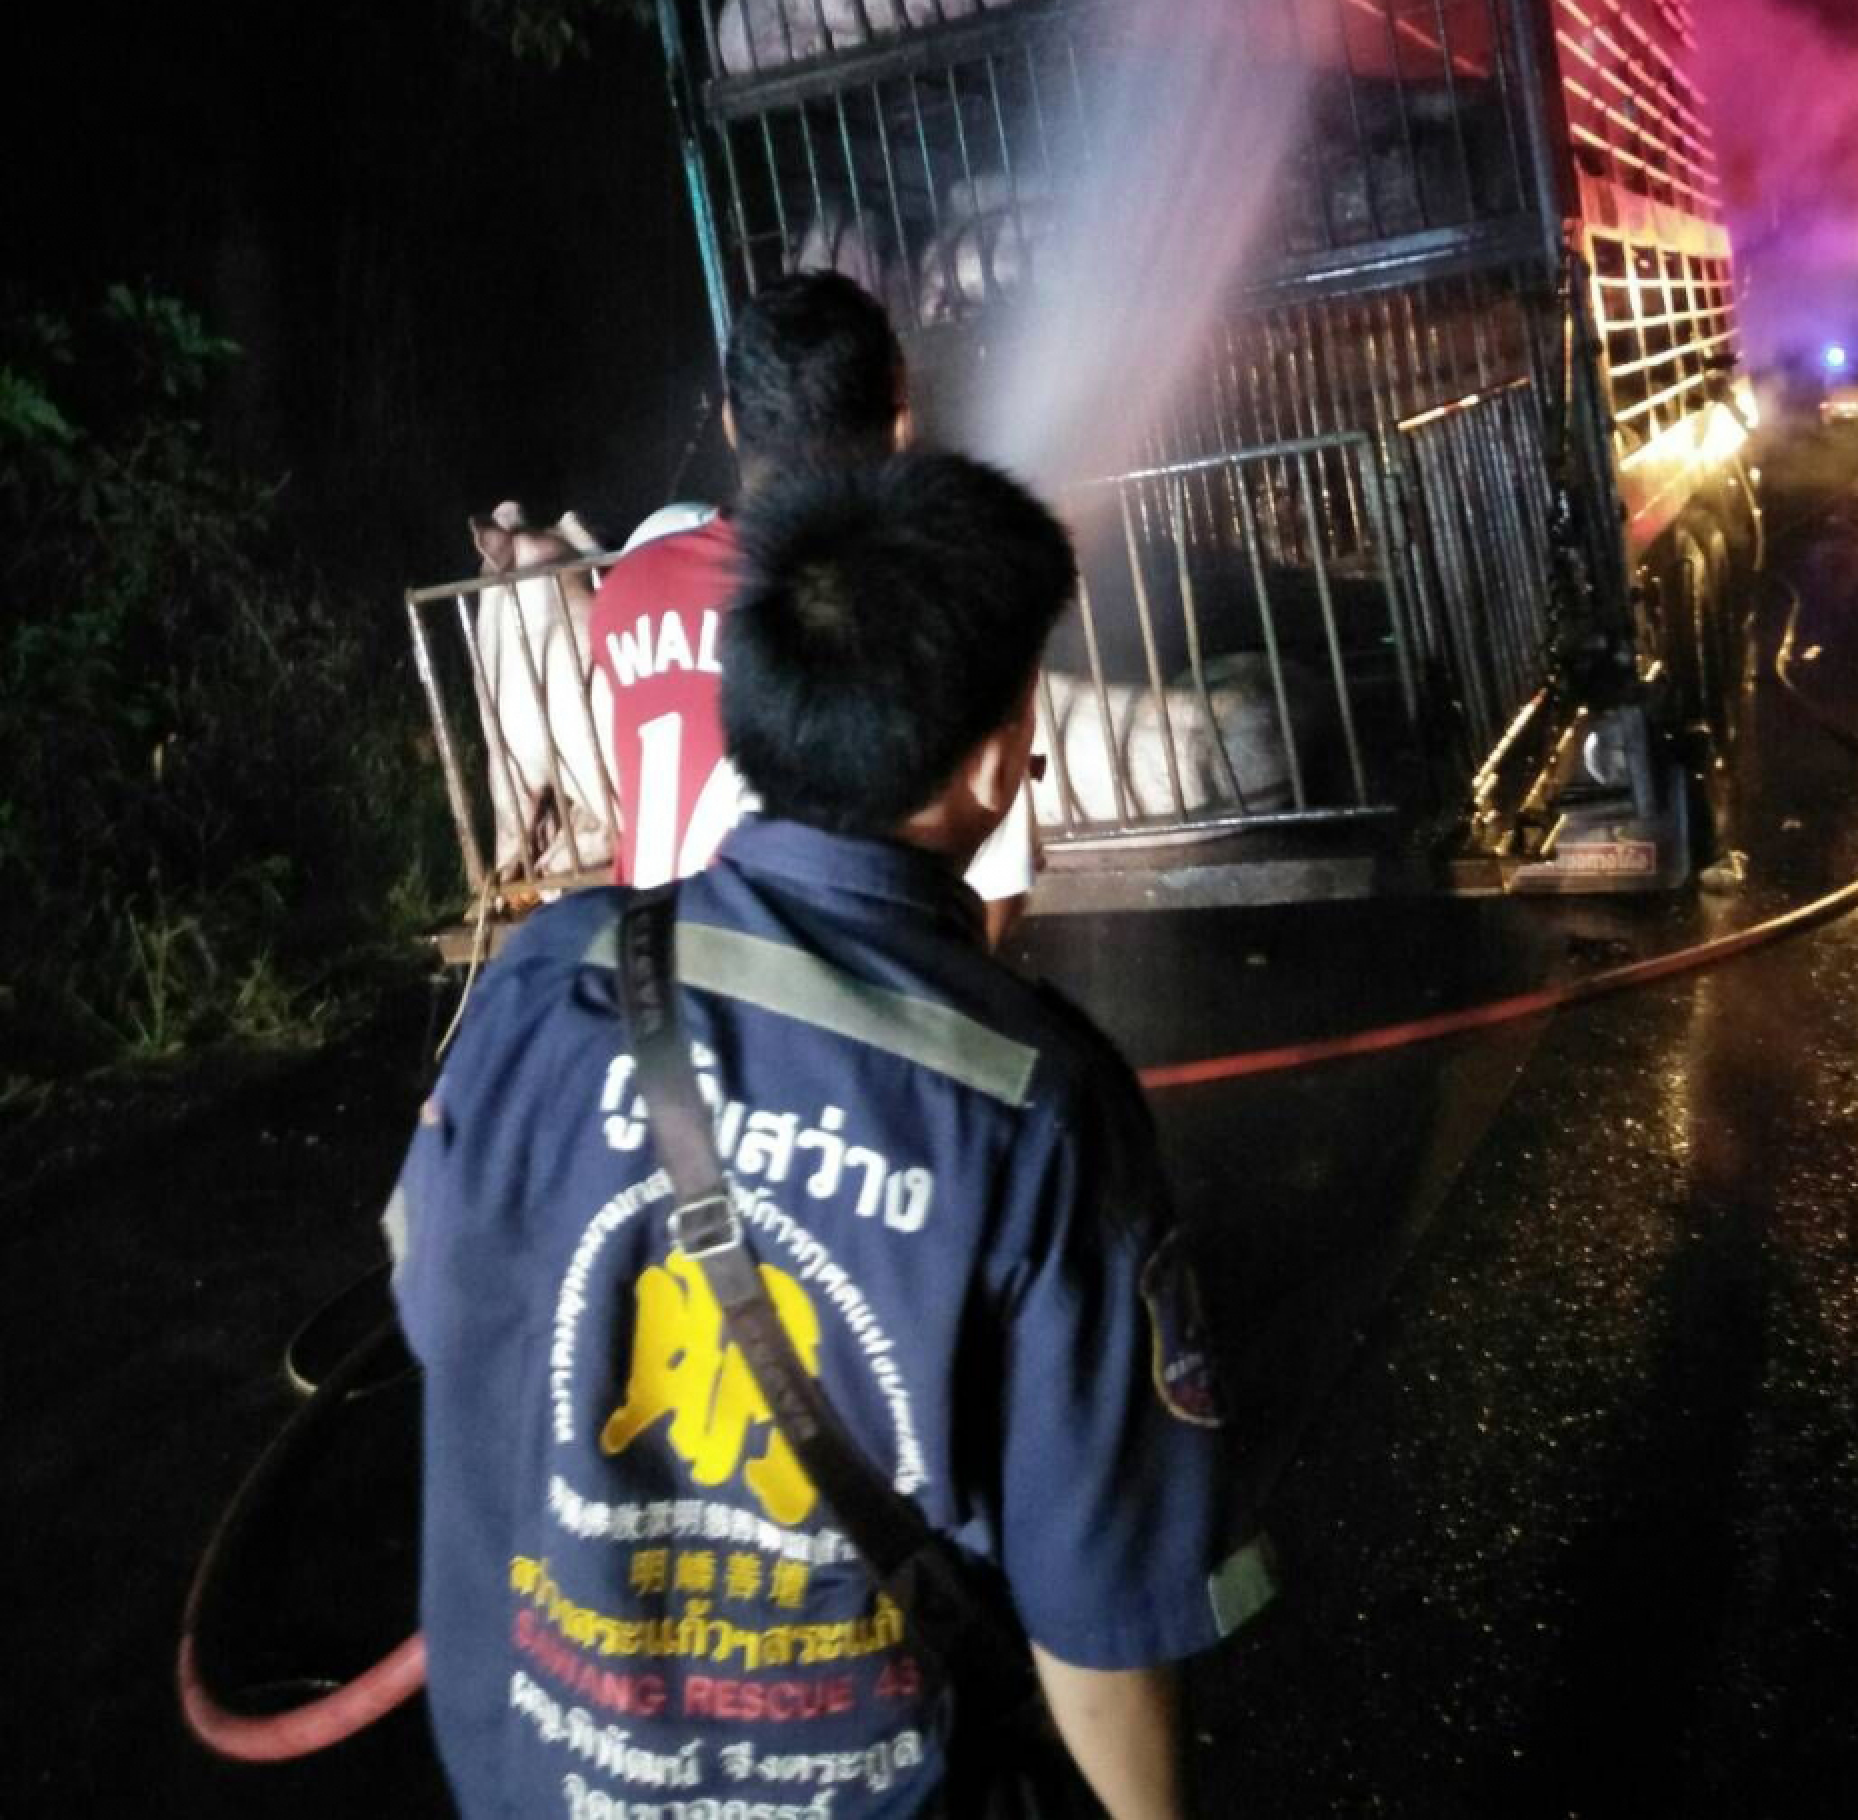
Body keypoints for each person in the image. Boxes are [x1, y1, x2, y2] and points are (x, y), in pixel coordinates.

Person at [388, 452, 1272, 1818]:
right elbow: (1103, 1635)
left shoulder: (541, 981)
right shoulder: (1035, 1108)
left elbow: (435, 1303)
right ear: (993, 762)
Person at [591, 270, 1034, 943]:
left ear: (733, 424)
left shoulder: (628, 590)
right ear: (901, 413)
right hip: (801, 1020)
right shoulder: (924, 607)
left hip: (647, 1002)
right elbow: (992, 903)